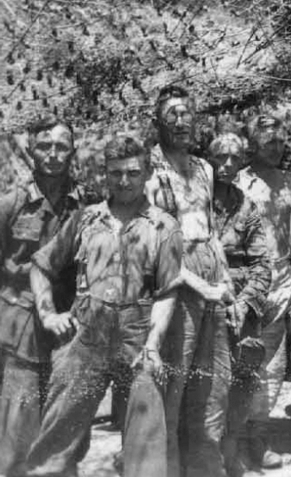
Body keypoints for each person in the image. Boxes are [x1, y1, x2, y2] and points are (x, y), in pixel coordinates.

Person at [25, 135, 182, 477]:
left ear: (147, 173)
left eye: (133, 173)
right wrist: (48, 314)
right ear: (105, 174)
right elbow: (41, 267)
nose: (124, 181)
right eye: (115, 173)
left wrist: (153, 345)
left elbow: (167, 292)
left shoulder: (164, 226)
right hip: (85, 334)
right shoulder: (86, 218)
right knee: (57, 439)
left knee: (146, 442)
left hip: (139, 335)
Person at [146, 85, 234, 477]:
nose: (181, 122)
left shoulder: (204, 168)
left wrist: (225, 279)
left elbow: (211, 230)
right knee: (173, 387)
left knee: (214, 383)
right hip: (173, 282)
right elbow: (155, 246)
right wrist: (199, 286)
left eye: (187, 114)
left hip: (211, 274)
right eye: (172, 115)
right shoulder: (149, 171)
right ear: (158, 122)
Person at [0, 117, 84, 476]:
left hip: (68, 322)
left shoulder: (86, 203)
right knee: (19, 423)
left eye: (61, 146)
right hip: (19, 323)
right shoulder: (11, 202)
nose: (52, 154)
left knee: (67, 422)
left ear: (73, 152)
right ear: (30, 150)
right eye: (44, 146)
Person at [206, 133, 275, 477]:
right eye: (221, 157)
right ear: (209, 160)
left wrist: (246, 302)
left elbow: (262, 264)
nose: (228, 165)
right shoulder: (196, 202)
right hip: (205, 300)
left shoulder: (247, 207)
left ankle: (231, 451)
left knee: (243, 379)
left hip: (241, 304)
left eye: (235, 158)